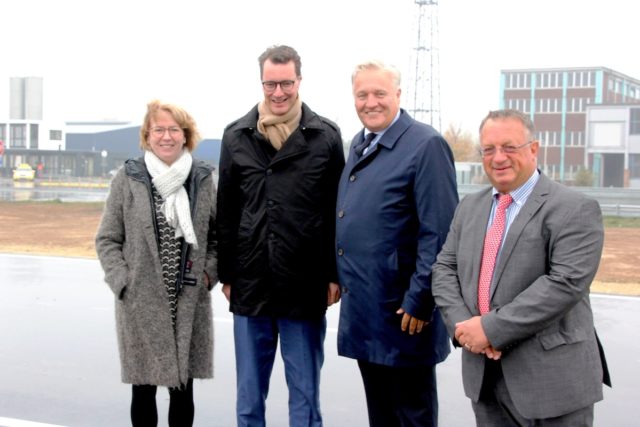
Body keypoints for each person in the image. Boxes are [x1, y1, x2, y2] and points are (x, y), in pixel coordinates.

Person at [432, 109, 611, 426]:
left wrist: (489, 329)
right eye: (489, 149)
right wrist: (465, 326)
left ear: (533, 149)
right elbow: (445, 269)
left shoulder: (574, 208)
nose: (498, 157)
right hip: (486, 379)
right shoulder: (469, 207)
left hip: (553, 383)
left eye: (509, 147)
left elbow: (564, 284)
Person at [216, 45, 345, 427]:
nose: (278, 93)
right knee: (249, 397)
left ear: (299, 81)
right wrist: (228, 275)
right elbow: (226, 212)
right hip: (251, 284)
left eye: (285, 83)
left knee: (305, 396)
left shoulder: (325, 137)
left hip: (304, 287)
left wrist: (334, 274)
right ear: (261, 82)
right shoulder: (236, 136)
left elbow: (336, 213)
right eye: (270, 84)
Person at [335, 60, 458, 427]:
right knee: (382, 415)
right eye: (362, 94)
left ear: (398, 95)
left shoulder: (425, 145)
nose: (370, 102)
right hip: (367, 310)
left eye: (379, 93)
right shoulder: (360, 143)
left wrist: (421, 300)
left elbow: (439, 232)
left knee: (411, 416)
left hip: (404, 315)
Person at [95, 100, 217, 427]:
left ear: (185, 135)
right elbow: (107, 238)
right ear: (147, 136)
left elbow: (218, 237)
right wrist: (123, 281)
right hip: (140, 300)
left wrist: (207, 274)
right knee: (143, 389)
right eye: (158, 129)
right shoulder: (129, 177)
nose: (166, 136)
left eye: (173, 129)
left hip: (187, 300)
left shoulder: (202, 178)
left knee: (182, 391)